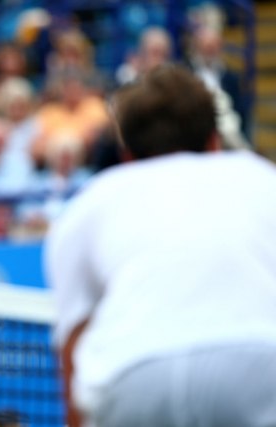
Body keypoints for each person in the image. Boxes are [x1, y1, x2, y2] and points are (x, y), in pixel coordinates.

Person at [44, 66, 276, 427]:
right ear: (215, 142)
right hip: (259, 366)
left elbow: (74, 353)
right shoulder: (262, 178)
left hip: (133, 377)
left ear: (127, 155)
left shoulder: (88, 204)